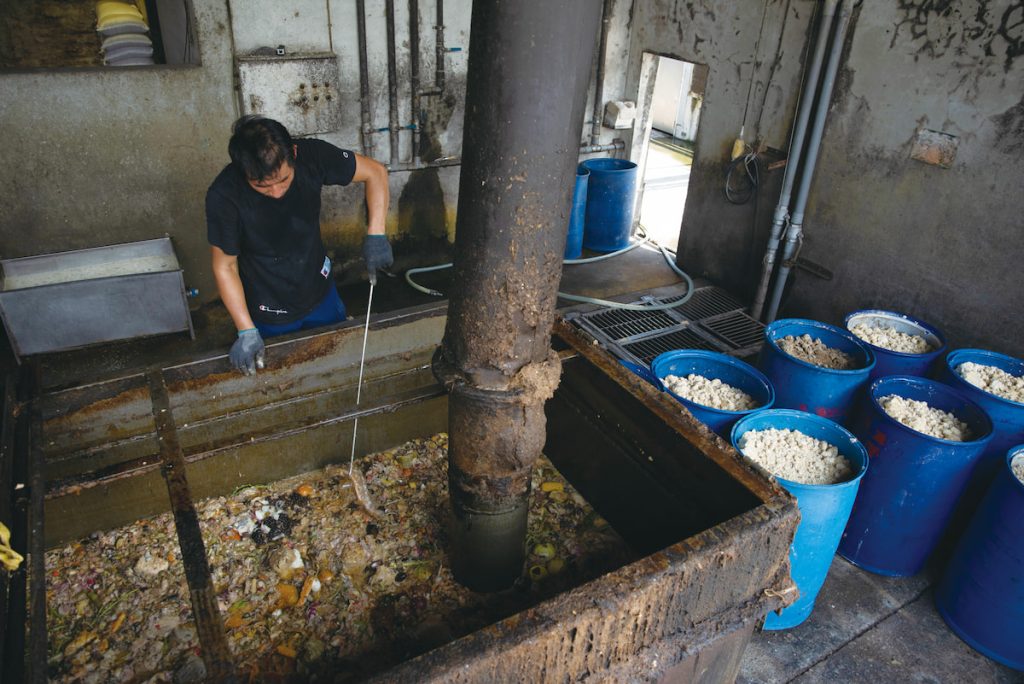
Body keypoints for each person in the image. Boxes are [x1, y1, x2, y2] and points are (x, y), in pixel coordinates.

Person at [206, 116, 393, 375]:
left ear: (292, 153)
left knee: (340, 359)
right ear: (242, 172)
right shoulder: (224, 196)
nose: (276, 192)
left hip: (320, 289)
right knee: (284, 373)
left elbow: (376, 172)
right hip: (268, 305)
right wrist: (245, 329)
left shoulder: (312, 155)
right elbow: (225, 266)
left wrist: (376, 233)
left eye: (283, 181)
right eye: (262, 186)